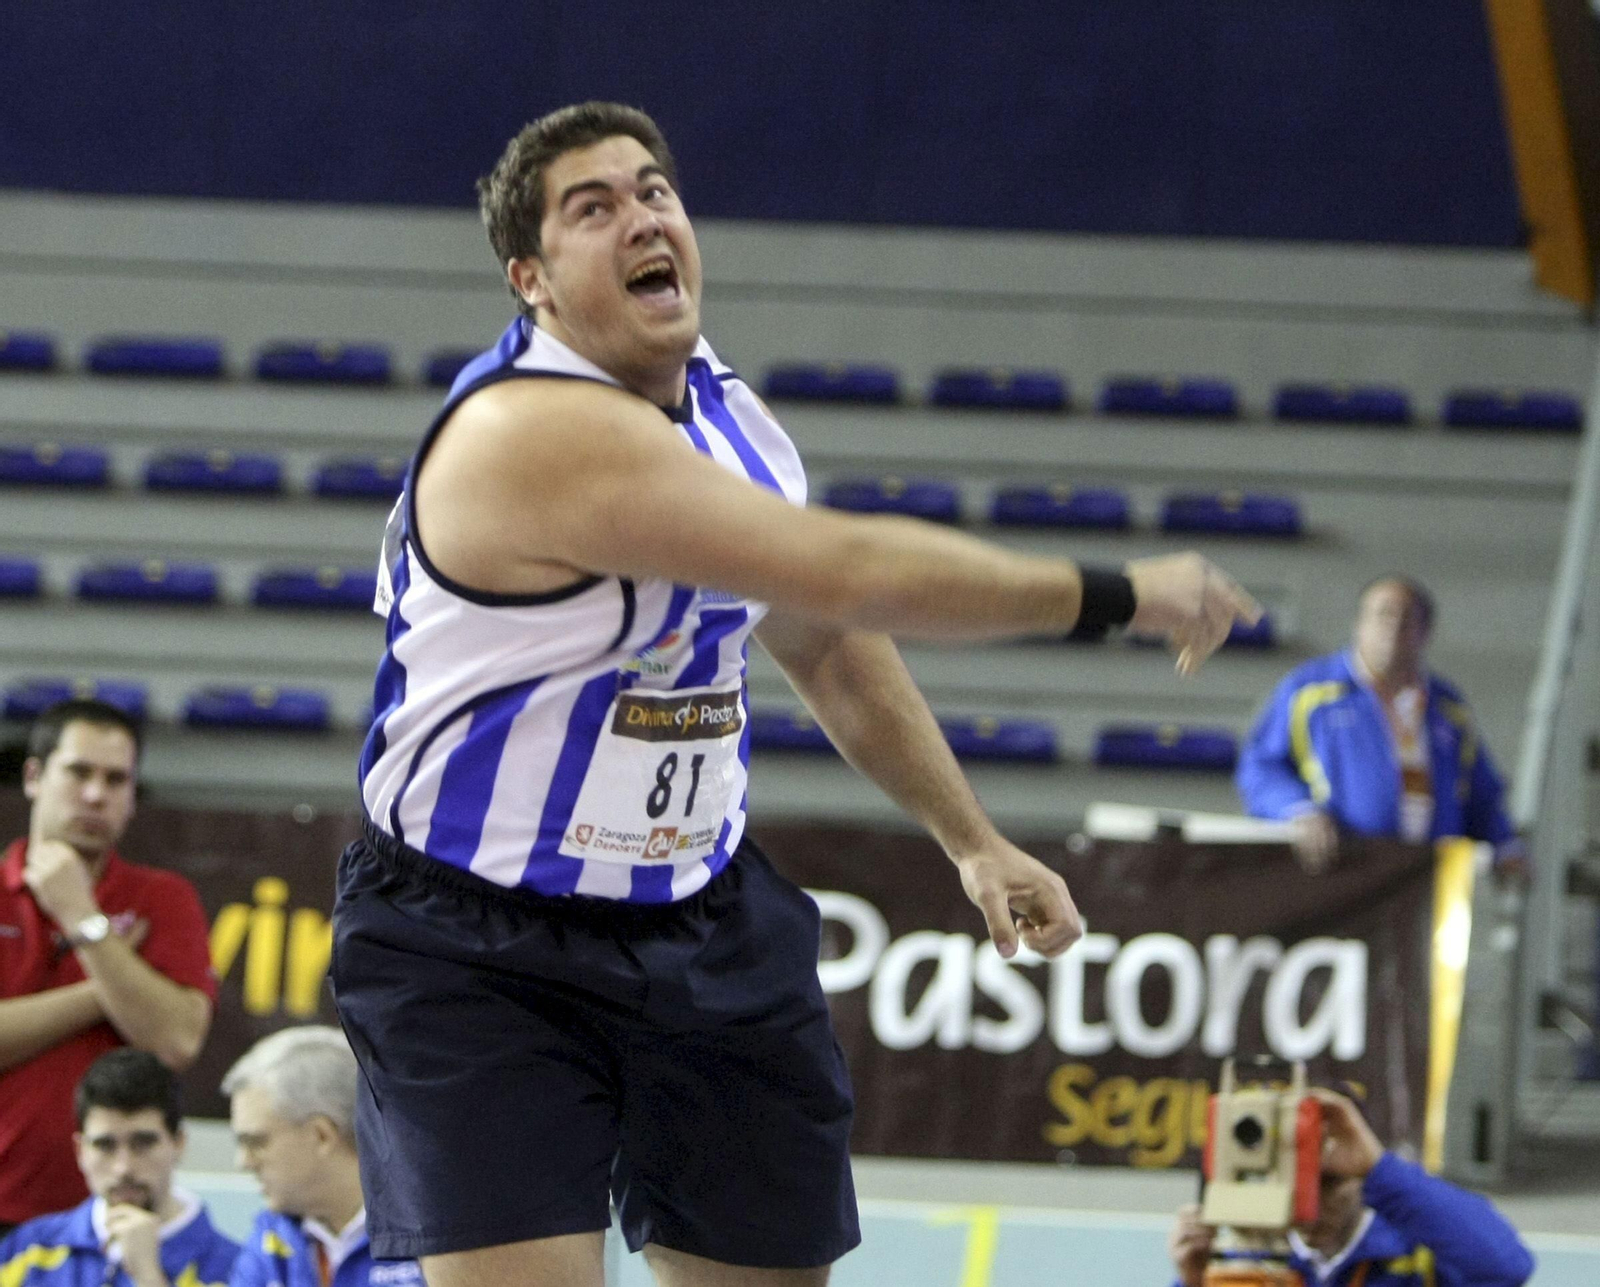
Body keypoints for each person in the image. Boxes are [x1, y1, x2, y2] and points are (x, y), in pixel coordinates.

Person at [333, 100, 1259, 1287]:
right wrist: (1115, 591)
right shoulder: (530, 433)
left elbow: (826, 638)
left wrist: (969, 840)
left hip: (697, 911)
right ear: (532, 281)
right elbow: (850, 568)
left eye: (654, 189)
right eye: (593, 206)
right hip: (474, 941)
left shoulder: (727, 410)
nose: (641, 215)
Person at [0, 700, 215, 1230]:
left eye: (116, 780)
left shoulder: (164, 898)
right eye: (78, 772)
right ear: (34, 776)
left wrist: (81, 917)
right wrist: (109, 985)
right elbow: (152, 1015)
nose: (96, 794)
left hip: (111, 1222)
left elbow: (174, 1040)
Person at [1236, 576, 1524, 874]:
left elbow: (1480, 792)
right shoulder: (1311, 691)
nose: (1394, 627)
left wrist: (1505, 844)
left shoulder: (1448, 707)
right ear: (1359, 624)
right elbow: (1261, 766)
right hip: (1339, 873)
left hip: (1427, 877)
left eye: (1407, 619)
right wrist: (1299, 811)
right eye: (1384, 613)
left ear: (1425, 633)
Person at [1167, 1089, 1534, 1287]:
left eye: (1328, 1183)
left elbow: (1507, 1268)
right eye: (1296, 1183)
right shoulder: (1241, 1257)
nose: (1310, 1204)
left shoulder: (1419, 1248)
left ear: (1362, 1177)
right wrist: (1193, 1284)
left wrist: (1380, 1167)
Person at [0, 1048, 240, 1287]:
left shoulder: (234, 1268)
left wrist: (149, 1278)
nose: (123, 1168)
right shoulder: (28, 1251)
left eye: (143, 1144)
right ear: (80, 1151)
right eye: (105, 1145)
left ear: (178, 1144)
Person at [223, 1026, 421, 1287]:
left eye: (257, 1142)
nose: (244, 1163)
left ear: (322, 1136)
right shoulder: (271, 1234)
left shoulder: (434, 1231)